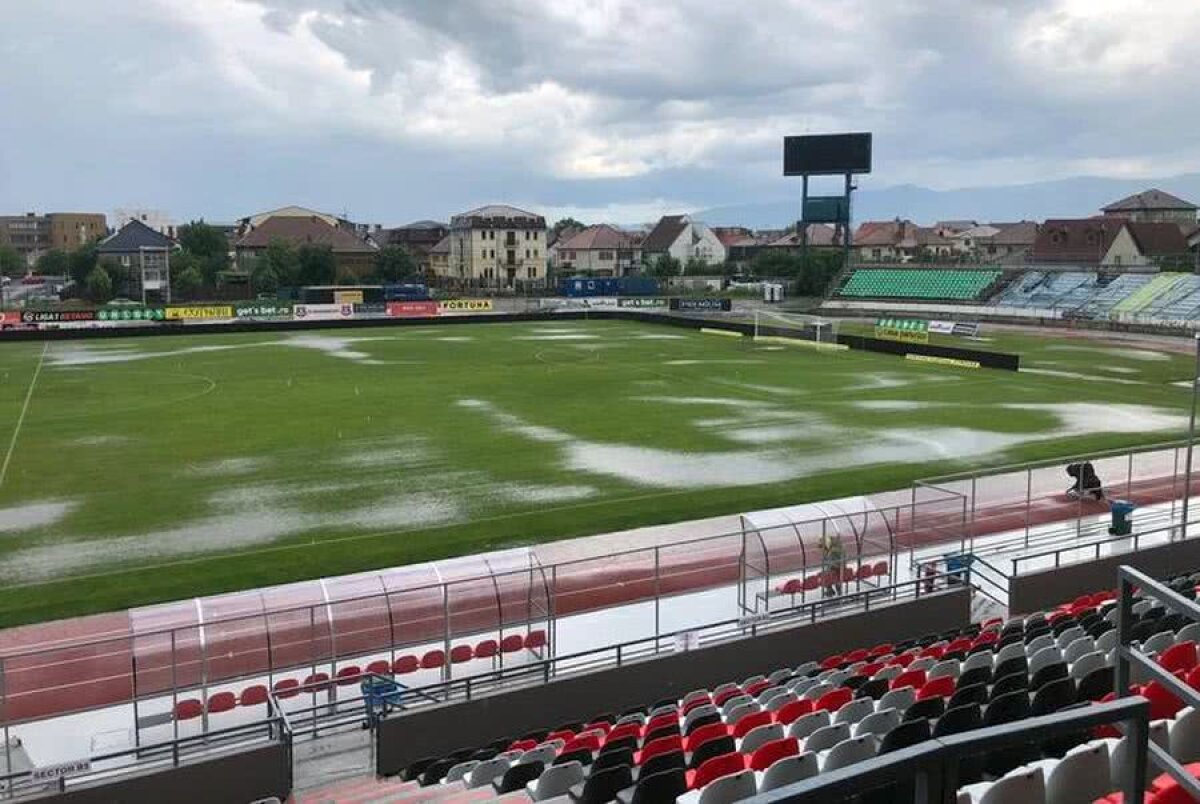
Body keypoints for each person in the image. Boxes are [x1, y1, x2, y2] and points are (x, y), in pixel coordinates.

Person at [819, 532, 845, 598]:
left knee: (827, 575)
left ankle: (833, 590)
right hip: (838, 567)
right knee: (827, 574)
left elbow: (830, 561)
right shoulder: (838, 547)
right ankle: (832, 590)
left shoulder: (833, 550)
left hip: (837, 568)